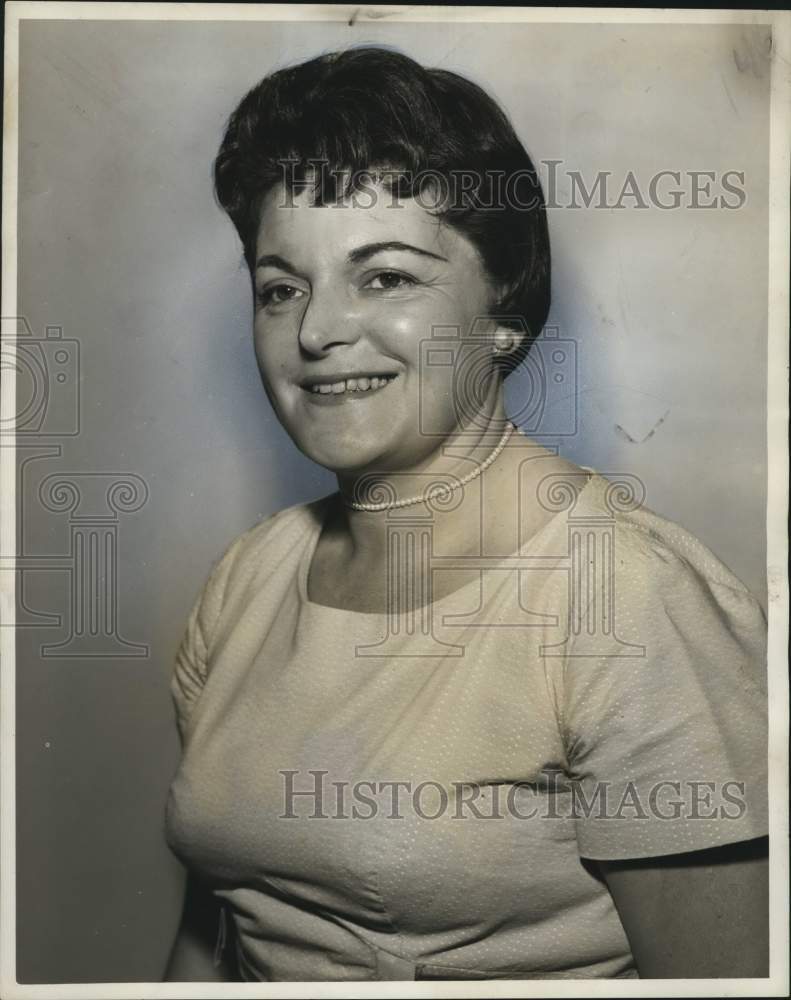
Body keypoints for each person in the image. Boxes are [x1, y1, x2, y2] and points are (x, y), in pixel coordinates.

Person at [163, 46, 768, 982]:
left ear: (504, 311)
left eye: (386, 278)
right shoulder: (250, 578)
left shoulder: (630, 600)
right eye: (280, 287)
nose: (316, 332)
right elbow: (220, 936)